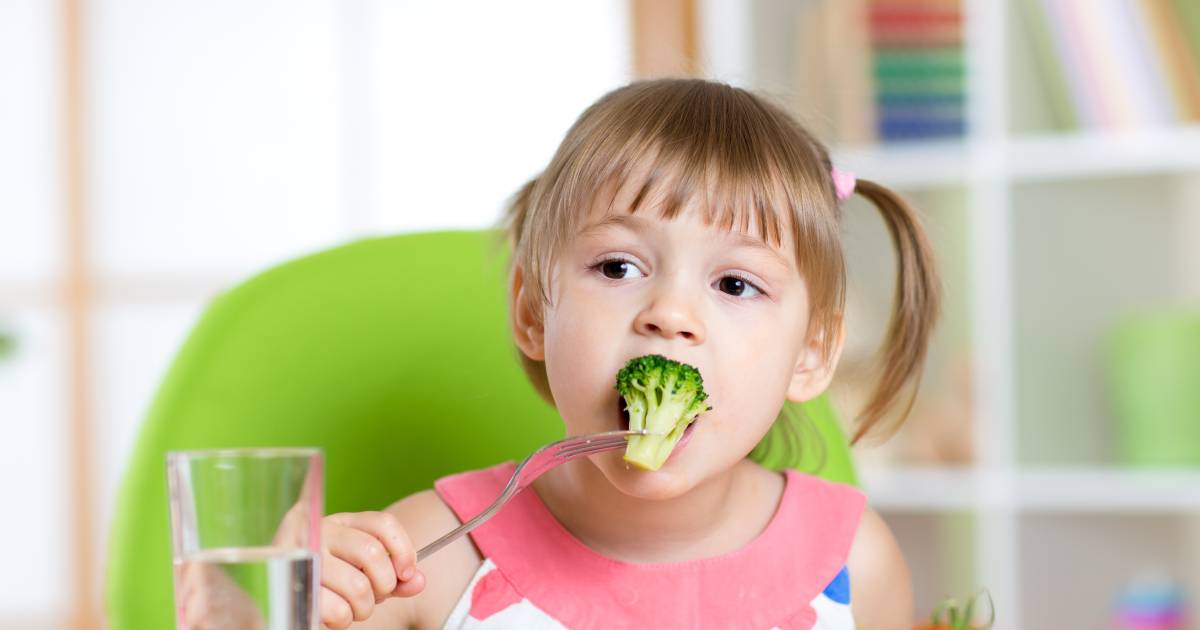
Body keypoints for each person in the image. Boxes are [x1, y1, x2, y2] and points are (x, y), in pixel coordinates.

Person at [318, 78, 940, 630]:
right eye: (618, 267)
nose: (669, 314)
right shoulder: (428, 558)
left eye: (735, 284)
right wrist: (289, 605)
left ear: (810, 353)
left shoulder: (857, 564)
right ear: (534, 309)